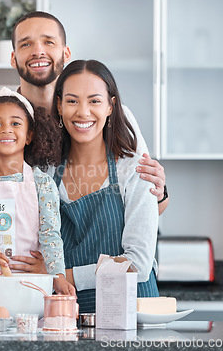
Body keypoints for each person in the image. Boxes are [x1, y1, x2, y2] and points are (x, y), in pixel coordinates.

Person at [9, 11, 169, 214]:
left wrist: (159, 191)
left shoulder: (109, 117)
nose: (38, 51)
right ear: (14, 58)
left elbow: (153, 204)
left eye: (48, 42)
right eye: (26, 44)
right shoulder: (3, 122)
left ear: (66, 53)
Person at [49, 59, 160, 313]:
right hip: (70, 318)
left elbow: (138, 265)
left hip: (134, 315)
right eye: (72, 100)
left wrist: (62, 275)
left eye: (94, 101)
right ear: (59, 105)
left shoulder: (135, 169)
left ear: (111, 106)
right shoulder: (45, 172)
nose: (83, 112)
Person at [0, 87, 75, 306]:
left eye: (16, 123)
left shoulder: (42, 184)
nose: (6, 130)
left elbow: (51, 235)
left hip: (30, 287)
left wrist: (58, 276)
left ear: (29, 136)